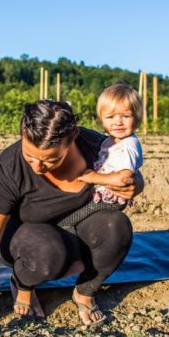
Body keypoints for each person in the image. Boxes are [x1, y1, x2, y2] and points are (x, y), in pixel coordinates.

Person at [0, 99, 144, 337]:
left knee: (116, 228)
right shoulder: (11, 166)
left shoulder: (95, 145)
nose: (38, 167)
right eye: (30, 156)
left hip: (74, 224)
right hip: (25, 237)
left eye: (50, 160)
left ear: (72, 139)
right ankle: (23, 283)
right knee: (48, 252)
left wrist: (136, 185)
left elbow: (129, 173)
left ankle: (85, 291)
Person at [56, 83, 144, 234]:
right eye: (110, 117)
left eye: (126, 116)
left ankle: (73, 243)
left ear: (136, 118)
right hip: (103, 195)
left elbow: (124, 179)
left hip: (109, 199)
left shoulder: (127, 146)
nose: (118, 122)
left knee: (67, 221)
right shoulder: (111, 141)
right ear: (101, 119)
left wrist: (92, 177)